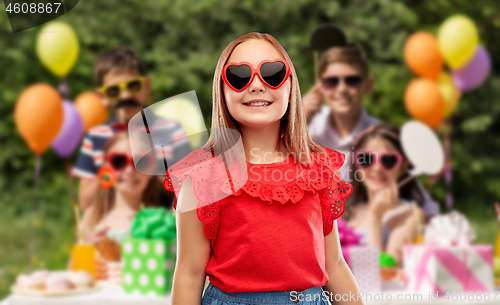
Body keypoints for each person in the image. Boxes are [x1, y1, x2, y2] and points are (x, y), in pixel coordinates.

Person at [165, 32, 364, 305]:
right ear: (221, 90)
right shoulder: (204, 177)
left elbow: (335, 266)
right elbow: (189, 273)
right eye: (239, 76)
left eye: (272, 73)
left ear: (290, 87)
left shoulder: (318, 168)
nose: (256, 85)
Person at [302, 44, 439, 220]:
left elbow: (426, 208)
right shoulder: (306, 129)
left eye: (352, 81)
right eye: (331, 81)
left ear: (368, 86)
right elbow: (266, 166)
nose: (341, 89)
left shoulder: (380, 138)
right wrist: (297, 119)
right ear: (320, 86)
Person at [71, 47, 192, 211]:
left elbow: (190, 193)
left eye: (133, 86)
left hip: (162, 230)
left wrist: (148, 167)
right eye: (114, 91)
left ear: (146, 86)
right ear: (102, 97)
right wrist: (113, 165)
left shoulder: (172, 131)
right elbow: (85, 204)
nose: (125, 96)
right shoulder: (96, 138)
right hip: (111, 230)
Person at [347, 123, 425, 264]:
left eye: (388, 160)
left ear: (403, 167)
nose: (377, 168)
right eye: (367, 159)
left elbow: (385, 271)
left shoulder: (410, 215)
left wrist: (375, 217)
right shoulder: (351, 213)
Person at [78, 131, 162, 244]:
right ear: (105, 168)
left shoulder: (160, 220)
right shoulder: (92, 216)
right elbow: (77, 260)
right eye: (118, 161)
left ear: (153, 169)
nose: (129, 170)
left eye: (140, 162)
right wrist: (90, 248)